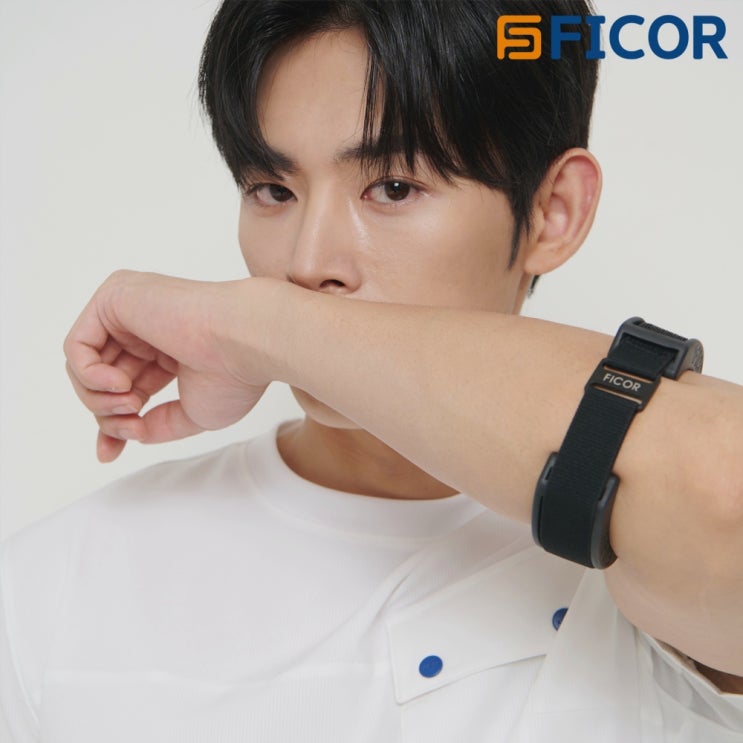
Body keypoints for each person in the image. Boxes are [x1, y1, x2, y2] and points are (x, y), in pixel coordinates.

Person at [1, 1, 742, 741]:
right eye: (273, 190)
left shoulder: (657, 562)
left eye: (392, 188)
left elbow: (726, 490)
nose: (307, 263)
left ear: (553, 210)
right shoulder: (58, 587)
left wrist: (254, 326)